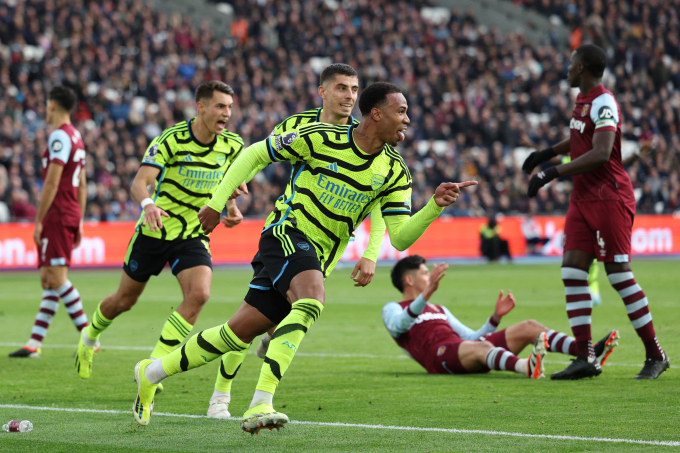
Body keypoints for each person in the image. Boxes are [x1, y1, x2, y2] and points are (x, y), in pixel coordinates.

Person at [130, 82, 478, 433]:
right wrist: (216, 204)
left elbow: (400, 237)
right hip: (286, 231)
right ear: (376, 113)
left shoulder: (395, 172)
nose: (406, 120)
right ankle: (260, 402)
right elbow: (254, 154)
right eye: (400, 111)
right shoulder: (321, 137)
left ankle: (151, 372)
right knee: (311, 299)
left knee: (236, 334)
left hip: (318, 255)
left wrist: (434, 206)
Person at [207, 63, 388, 419]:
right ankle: (223, 397)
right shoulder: (296, 125)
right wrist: (227, 198)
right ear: (323, 91)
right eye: (341, 88)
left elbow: (383, 195)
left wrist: (371, 252)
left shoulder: (364, 136)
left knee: (263, 320)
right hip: (286, 233)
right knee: (259, 319)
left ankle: (252, 366)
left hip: (326, 248)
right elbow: (256, 157)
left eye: (354, 89)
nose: (349, 96)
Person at [74, 81, 247, 380]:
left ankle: (151, 369)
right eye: (220, 106)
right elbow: (138, 183)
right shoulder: (171, 139)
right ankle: (89, 337)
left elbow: (229, 182)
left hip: (192, 233)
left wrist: (231, 209)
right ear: (201, 107)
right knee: (124, 301)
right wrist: (148, 204)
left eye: (229, 107)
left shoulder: (233, 145)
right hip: (154, 231)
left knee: (199, 294)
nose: (226, 113)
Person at [524, 44, 669, 380]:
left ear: (584, 69)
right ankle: (586, 355)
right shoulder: (583, 101)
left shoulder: (605, 102)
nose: (568, 68)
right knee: (572, 270)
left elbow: (602, 153)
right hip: (583, 199)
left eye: (572, 63)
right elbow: (579, 139)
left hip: (609, 198)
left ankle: (655, 355)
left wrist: (551, 172)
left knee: (618, 274)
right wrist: (545, 153)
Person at [382, 255, 619, 378]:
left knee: (529, 326)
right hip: (439, 358)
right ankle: (526, 367)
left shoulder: (438, 308)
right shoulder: (392, 308)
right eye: (425, 273)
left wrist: (495, 318)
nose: (430, 276)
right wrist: (425, 294)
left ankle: (585, 351)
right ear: (409, 280)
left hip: (465, 349)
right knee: (480, 347)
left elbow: (473, 336)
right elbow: (399, 326)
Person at [9, 86, 89, 359]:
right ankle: (34, 343)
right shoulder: (77, 136)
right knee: (48, 279)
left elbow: (53, 181)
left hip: (56, 213)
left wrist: (39, 220)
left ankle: (89, 337)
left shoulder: (59, 136)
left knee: (56, 278)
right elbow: (83, 184)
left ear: (53, 106)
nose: (45, 109)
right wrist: (79, 219)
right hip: (69, 212)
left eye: (46, 104)